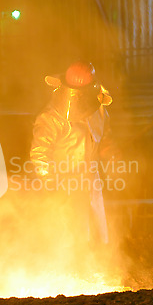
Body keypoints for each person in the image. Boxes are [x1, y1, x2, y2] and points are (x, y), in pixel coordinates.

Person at [30, 61, 117, 245]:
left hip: (91, 176)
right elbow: (39, 154)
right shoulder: (51, 118)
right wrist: (50, 183)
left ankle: (97, 259)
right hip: (63, 180)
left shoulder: (98, 108)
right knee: (68, 230)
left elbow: (104, 136)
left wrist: (109, 151)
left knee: (96, 225)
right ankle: (70, 264)